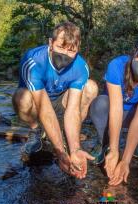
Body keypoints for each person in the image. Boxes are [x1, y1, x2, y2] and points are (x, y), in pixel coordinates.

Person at [12, 22, 98, 179]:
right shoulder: (33, 61)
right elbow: (44, 108)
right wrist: (60, 152)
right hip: (36, 102)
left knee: (91, 87)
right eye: (60, 47)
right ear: (50, 43)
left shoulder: (81, 67)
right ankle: (36, 130)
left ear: (78, 50)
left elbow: (73, 109)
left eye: (71, 50)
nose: (64, 54)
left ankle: (71, 133)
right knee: (21, 97)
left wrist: (75, 150)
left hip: (60, 100)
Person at [89, 38, 138, 186]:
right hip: (111, 110)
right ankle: (102, 143)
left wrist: (125, 160)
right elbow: (116, 108)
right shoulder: (116, 65)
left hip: (132, 116)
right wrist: (114, 150)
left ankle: (135, 144)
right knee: (99, 103)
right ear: (134, 54)